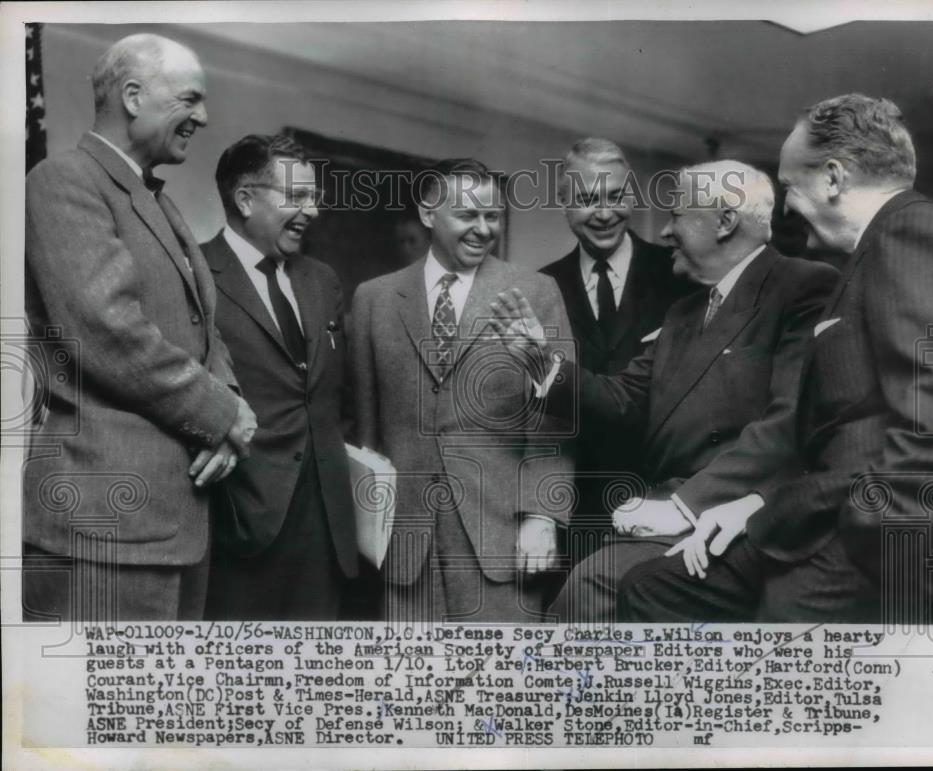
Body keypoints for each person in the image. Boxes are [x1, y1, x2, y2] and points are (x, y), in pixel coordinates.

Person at [621, 94, 933, 623]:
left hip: (872, 550)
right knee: (656, 586)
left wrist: (856, 542)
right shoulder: (868, 253)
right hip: (816, 517)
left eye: (788, 186)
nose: (784, 207)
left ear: (833, 178)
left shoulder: (911, 232)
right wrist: (755, 506)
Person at [492, 161, 839, 621]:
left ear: (724, 221)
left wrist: (685, 506)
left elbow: (788, 421)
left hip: (736, 516)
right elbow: (622, 404)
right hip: (661, 514)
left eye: (676, 216)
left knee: (592, 592)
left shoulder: (804, 287)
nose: (665, 232)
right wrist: (540, 362)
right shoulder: (683, 313)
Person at [22, 34, 256, 621]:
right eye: (190, 99)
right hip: (106, 527)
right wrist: (221, 417)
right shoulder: (64, 181)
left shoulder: (157, 200)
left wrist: (227, 406)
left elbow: (204, 327)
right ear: (132, 96)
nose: (202, 117)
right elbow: (108, 329)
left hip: (173, 523)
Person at [349, 158, 574, 623]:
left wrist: (543, 515)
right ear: (428, 214)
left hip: (502, 542)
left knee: (500, 687)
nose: (483, 229)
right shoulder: (373, 299)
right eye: (467, 215)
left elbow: (556, 419)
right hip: (403, 547)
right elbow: (366, 428)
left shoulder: (536, 292)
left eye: (492, 216)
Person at [200, 134, 358, 619]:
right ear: (245, 199)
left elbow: (336, 395)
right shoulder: (197, 273)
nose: (312, 210)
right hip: (237, 520)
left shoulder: (321, 279)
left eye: (315, 197)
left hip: (325, 528)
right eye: (297, 197)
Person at [539, 138, 697, 567]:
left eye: (617, 196)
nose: (606, 213)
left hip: (666, 506)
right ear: (564, 203)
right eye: (589, 199)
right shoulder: (541, 287)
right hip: (574, 513)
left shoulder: (682, 275)